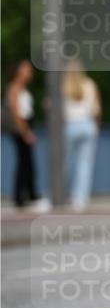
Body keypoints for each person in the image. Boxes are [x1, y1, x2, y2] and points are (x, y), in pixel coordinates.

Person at [3, 61, 49, 211]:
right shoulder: (14, 88)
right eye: (26, 70)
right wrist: (25, 132)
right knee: (25, 163)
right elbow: (16, 112)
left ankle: (27, 195)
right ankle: (25, 197)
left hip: (26, 125)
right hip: (21, 128)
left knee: (26, 162)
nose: (29, 73)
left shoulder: (23, 89)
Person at [63, 61, 101, 210]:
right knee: (85, 165)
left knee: (64, 164)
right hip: (88, 125)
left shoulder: (63, 86)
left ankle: (59, 194)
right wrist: (96, 126)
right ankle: (80, 200)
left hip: (69, 126)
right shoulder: (90, 84)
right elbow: (97, 109)